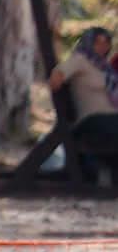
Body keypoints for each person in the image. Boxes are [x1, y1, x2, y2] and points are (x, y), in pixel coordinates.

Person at [46, 26, 118, 179]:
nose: (103, 46)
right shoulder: (81, 59)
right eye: (97, 42)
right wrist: (57, 82)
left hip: (109, 121)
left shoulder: (103, 67)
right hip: (93, 121)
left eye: (106, 42)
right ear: (88, 42)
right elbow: (59, 74)